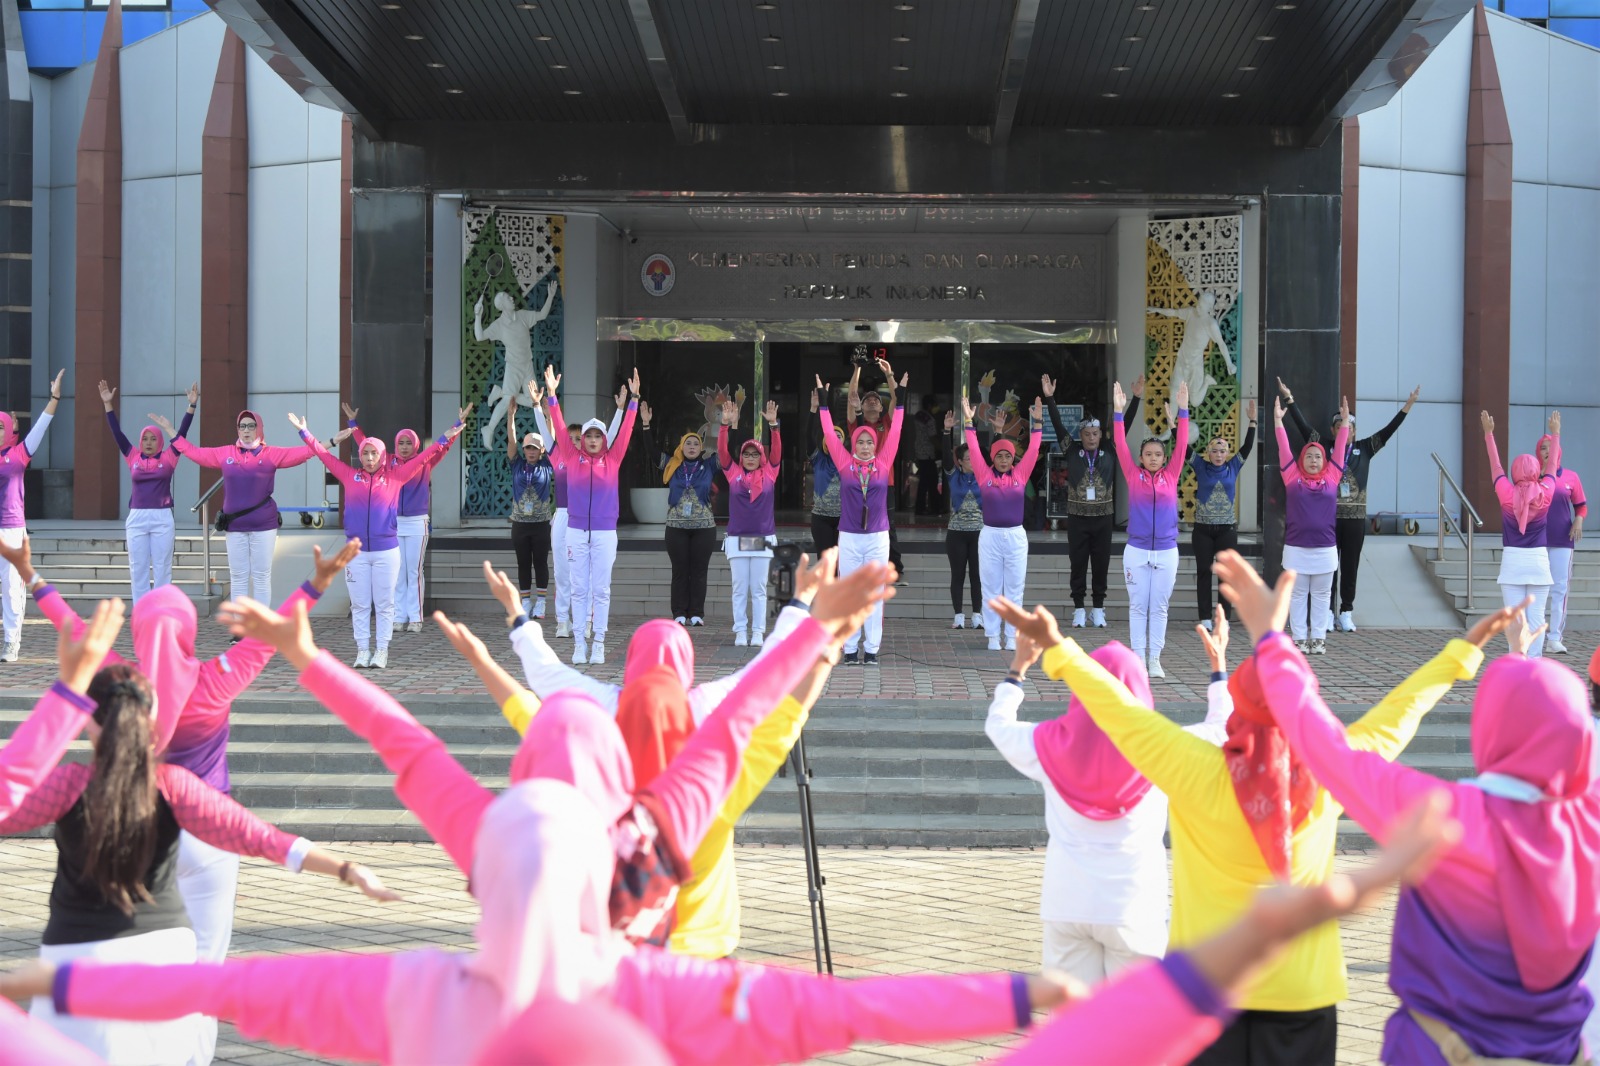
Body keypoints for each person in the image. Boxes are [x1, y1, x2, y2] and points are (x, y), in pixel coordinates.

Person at [211, 551, 891, 946]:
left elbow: (426, 739)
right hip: (696, 974)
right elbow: (763, 707)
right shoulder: (695, 793)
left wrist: (305, 654)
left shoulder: (516, 831)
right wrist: (818, 629)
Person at [991, 585, 1490, 1066]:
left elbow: (1118, 713)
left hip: (1205, 988)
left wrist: (1059, 649)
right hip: (1301, 994)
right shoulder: (1332, 770)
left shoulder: (1190, 765)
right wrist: (1459, 656)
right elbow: (1396, 716)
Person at [1216, 550, 1596, 1065]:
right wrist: (1526, 667)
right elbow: (1554, 726)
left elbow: (1325, 746)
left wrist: (1272, 641)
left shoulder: (1440, 818)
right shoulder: (1588, 823)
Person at [17, 536, 359, 1064]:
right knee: (203, 971)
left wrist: (32, 577)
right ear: (189, 631)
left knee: (136, 959)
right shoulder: (216, 680)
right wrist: (316, 584)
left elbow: (74, 629)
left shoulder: (120, 683)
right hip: (210, 833)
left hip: (137, 834)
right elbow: (271, 636)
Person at [0, 649, 396, 1064]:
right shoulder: (173, 786)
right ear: (152, 720)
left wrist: (61, 700)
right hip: (166, 960)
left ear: (88, 722)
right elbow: (257, 836)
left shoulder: (67, 786)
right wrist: (347, 869)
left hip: (73, 962)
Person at [475, 554, 841, 960]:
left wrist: (515, 614)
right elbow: (770, 669)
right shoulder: (709, 759)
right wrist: (804, 606)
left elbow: (543, 680)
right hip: (705, 955)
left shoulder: (604, 712)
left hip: (621, 948)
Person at [984, 615, 1233, 985]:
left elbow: (998, 726)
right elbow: (1222, 728)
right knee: (1137, 1029)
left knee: (1073, 1028)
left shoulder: (1050, 742)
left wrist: (1018, 668)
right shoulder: (1163, 747)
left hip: (1066, 903)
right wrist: (1218, 670)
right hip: (1134, 905)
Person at [290, 413, 458, 669]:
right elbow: (323, 456)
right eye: (365, 453)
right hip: (355, 553)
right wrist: (305, 432)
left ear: (382, 456)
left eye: (374, 454)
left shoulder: (396, 476)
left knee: (383, 603)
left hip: (386, 552)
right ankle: (362, 650)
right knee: (359, 604)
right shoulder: (349, 475)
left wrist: (446, 438)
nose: (369, 459)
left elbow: (425, 457)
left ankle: (381, 650)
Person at [1280, 378, 1419, 632]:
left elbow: (1389, 430)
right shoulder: (1323, 446)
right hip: (1329, 520)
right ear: (1334, 430)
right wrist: (1290, 399)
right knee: (1328, 568)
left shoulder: (1366, 448)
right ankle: (1328, 611)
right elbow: (1301, 426)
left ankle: (1346, 611)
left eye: (1349, 425)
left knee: (1350, 566)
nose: (1345, 429)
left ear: (1353, 430)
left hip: (1355, 519)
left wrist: (1407, 406)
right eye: (1340, 425)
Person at [160, 407, 316, 613]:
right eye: (242, 426)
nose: (246, 430)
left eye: (251, 426)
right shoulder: (226, 453)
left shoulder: (271, 454)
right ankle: (239, 628)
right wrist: (172, 432)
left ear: (259, 429)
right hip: (235, 526)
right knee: (239, 576)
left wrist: (305, 432)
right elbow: (194, 452)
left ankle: (259, 627)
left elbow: (310, 452)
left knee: (261, 576)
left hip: (264, 526)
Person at [344, 401, 468, 633]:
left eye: (408, 443)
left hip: (417, 523)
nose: (403, 446)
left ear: (416, 445)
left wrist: (457, 424)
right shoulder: (387, 462)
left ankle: (416, 617)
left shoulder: (424, 460)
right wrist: (353, 423)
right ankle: (399, 616)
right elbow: (366, 446)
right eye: (400, 442)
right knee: (398, 572)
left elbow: (443, 446)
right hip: (393, 524)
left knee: (414, 570)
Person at [544, 365, 639, 665]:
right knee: (578, 588)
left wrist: (634, 400)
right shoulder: (572, 457)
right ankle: (579, 643)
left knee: (601, 589)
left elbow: (625, 431)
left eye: (599, 436)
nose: (595, 440)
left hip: (604, 533)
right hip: (575, 530)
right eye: (590, 436)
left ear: (604, 440)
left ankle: (598, 642)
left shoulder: (613, 458)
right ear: (583, 439)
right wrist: (551, 396)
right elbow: (558, 428)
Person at [818, 368, 904, 666]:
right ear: (853, 444)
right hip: (850, 537)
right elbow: (829, 432)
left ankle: (872, 649)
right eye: (860, 442)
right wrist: (823, 402)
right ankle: (850, 648)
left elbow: (896, 430)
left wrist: (901, 398)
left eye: (869, 442)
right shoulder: (845, 463)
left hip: (878, 537)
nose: (865, 446)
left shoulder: (883, 461)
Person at [532, 381, 626, 640]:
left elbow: (614, 435)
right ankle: (562, 620)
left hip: (592, 522)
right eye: (572, 438)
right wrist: (539, 406)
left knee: (593, 578)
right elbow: (552, 431)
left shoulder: (593, 457)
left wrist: (621, 410)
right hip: (565, 517)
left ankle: (586, 621)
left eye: (578, 438)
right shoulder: (559, 456)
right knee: (564, 573)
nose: (574, 442)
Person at [1112, 380, 1189, 678]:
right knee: (1137, 607)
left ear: (1164, 458)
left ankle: (1154, 659)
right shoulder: (1134, 475)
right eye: (1149, 455)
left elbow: (1181, 443)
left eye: (1158, 454)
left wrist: (1183, 410)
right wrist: (1118, 413)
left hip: (1167, 551)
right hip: (1137, 550)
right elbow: (1119, 444)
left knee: (1159, 608)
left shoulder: (1171, 475)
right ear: (1141, 458)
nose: (1154, 458)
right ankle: (1135, 661)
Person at [99, 380, 198, 603]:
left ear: (161, 441)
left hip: (162, 517)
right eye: (145, 438)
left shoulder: (169, 456)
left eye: (154, 439)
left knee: (163, 569)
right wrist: (108, 405)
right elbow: (117, 433)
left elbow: (181, 434)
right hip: (137, 517)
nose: (149, 442)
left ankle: (161, 613)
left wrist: (191, 407)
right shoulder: (132, 455)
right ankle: (142, 615)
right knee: (138, 569)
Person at [962, 393, 1043, 652]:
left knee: (1015, 588)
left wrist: (1038, 423)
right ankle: (993, 635)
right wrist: (968, 422)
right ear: (993, 459)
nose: (1005, 460)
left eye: (1008, 456)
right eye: (1000, 456)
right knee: (991, 587)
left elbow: (1033, 450)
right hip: (991, 536)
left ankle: (1013, 635)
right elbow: (973, 449)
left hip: (1016, 537)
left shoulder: (1020, 474)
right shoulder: (984, 475)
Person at [1273, 394, 1350, 655]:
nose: (1314, 460)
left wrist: (1346, 422)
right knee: (1296, 596)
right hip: (1296, 548)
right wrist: (1277, 422)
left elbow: (1340, 449)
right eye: (1309, 457)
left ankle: (1318, 639)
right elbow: (1284, 449)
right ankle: (1298, 639)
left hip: (1325, 549)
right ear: (1302, 459)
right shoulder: (1292, 477)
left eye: (1318, 457)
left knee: (1321, 596)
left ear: (1324, 461)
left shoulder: (1332, 476)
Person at [1483, 409, 1560, 658]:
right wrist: (1556, 434)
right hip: (1538, 560)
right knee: (1537, 617)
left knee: (1514, 618)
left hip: (1512, 561)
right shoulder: (1546, 490)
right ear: (1537, 470)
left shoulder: (1506, 492)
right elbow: (1553, 466)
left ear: (1515, 472)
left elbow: (1495, 466)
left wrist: (1489, 434)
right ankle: (1534, 663)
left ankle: (1516, 662)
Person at [1042, 374, 1115, 629]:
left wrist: (1131, 401)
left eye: (1095, 433)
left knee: (1101, 564)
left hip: (1104, 518)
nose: (1092, 438)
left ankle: (1098, 608)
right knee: (1078, 563)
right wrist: (1050, 398)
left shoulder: (1111, 448)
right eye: (1087, 434)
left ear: (1100, 434)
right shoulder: (1072, 450)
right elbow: (1058, 425)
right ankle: (1079, 609)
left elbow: (1122, 425)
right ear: (1081, 435)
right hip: (1077, 518)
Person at [0, 368, 62, 662]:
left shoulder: (20, 453)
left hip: (11, 528)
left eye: (0, 427)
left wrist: (54, 398)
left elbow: (41, 426)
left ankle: (11, 641)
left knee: (11, 588)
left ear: (10, 430)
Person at [640, 400, 717, 627]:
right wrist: (646, 425)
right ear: (681, 446)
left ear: (701, 448)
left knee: (699, 571)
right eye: (688, 443)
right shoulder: (672, 464)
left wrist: (728, 427)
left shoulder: (709, 465)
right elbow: (652, 452)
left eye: (696, 444)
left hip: (704, 528)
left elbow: (726, 451)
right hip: (676, 528)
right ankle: (679, 613)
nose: (692, 447)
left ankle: (697, 613)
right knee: (680, 571)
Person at [719, 399, 781, 646]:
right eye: (747, 454)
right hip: (737, 538)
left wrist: (774, 426)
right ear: (741, 457)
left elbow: (777, 452)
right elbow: (723, 451)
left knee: (759, 589)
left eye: (756, 454)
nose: (751, 457)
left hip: (763, 537)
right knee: (739, 588)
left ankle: (758, 632)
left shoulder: (770, 473)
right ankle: (740, 631)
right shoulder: (733, 473)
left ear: (761, 456)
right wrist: (725, 426)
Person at [1191, 398, 1256, 627]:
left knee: (1226, 575)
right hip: (1202, 530)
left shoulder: (1233, 466)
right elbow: (1183, 448)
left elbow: (1247, 448)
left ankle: (1223, 618)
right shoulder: (1200, 466)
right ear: (1208, 452)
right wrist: (1173, 423)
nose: (1218, 454)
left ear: (1228, 452)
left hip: (1227, 530)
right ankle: (1205, 617)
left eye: (1222, 450)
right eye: (1214, 451)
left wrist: (1252, 422)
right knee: (1203, 573)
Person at [1536, 415, 1586, 655]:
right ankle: (1533, 637)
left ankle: (1554, 637)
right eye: (1542, 448)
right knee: (1536, 590)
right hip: (1535, 541)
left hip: (1562, 541)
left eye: (1550, 447)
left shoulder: (1571, 477)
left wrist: (1578, 520)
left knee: (1559, 589)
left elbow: (1581, 505)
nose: (1547, 451)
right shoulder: (1532, 476)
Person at [508, 388, 554, 619]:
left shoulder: (547, 465)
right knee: (523, 563)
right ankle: (525, 601)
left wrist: (547, 417)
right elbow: (511, 442)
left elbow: (552, 439)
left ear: (541, 450)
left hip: (541, 523)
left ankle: (542, 602)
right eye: (528, 448)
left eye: (535, 448)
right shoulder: (516, 464)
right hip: (520, 524)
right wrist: (511, 417)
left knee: (541, 563)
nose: (531, 451)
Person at [941, 409, 983, 630]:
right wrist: (946, 430)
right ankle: (958, 615)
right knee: (958, 575)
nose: (972, 462)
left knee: (977, 576)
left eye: (974, 458)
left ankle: (977, 614)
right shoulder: (953, 475)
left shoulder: (984, 476)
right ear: (960, 461)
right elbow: (946, 456)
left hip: (979, 533)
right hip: (956, 533)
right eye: (968, 459)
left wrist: (970, 422)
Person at [807, 382, 844, 556]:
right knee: (825, 563)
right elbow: (809, 435)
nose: (835, 439)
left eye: (839, 437)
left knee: (841, 564)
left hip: (844, 519)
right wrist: (815, 409)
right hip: (820, 519)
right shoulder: (818, 459)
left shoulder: (848, 461)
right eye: (831, 436)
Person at [910, 393, 941, 516]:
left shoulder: (918, 415)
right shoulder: (930, 419)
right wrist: (942, 448)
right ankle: (934, 508)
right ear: (930, 405)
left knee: (923, 481)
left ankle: (920, 507)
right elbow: (932, 437)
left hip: (919, 451)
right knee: (931, 482)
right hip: (928, 454)